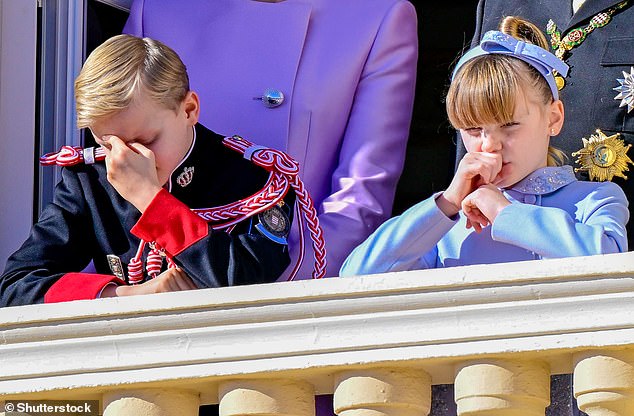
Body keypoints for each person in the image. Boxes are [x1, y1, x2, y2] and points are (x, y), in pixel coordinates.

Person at [122, 0, 418, 281]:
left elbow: (359, 204)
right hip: (162, 280)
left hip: (287, 284)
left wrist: (258, 282)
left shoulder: (376, 17)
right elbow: (117, 181)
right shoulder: (160, 11)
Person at [0, 34, 300, 306]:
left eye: (145, 141)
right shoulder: (90, 181)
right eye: (109, 144)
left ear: (189, 110)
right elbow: (16, 289)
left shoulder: (256, 177)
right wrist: (129, 295)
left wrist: (150, 199)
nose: (128, 159)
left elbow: (246, 283)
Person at [341, 16, 628, 278]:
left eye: (509, 125)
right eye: (474, 129)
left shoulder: (596, 199)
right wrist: (446, 204)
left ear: (553, 118)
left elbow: (611, 265)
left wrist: (506, 214)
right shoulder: (446, 222)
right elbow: (356, 276)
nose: (490, 145)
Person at [461, 0, 634, 248]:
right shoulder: (498, 3)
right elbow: (476, 111)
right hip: (489, 239)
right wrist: (451, 204)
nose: (489, 145)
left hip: (605, 244)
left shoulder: (601, 201)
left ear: (555, 117)